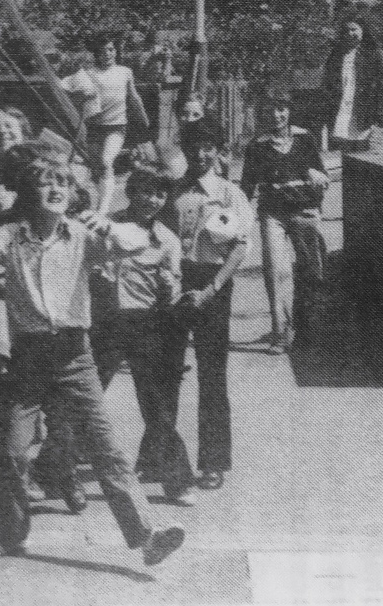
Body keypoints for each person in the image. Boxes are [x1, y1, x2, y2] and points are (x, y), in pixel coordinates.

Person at [0, 140, 186, 566]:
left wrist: (109, 227)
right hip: (27, 357)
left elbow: (136, 242)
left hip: (75, 356)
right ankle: (11, 534)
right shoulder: (7, 238)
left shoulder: (83, 234)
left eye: (62, 182)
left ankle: (146, 536)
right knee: (13, 452)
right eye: (44, 182)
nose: (55, 189)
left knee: (105, 447)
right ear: (27, 191)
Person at [93, 160, 195, 499]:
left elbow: (174, 290)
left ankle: (177, 481)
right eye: (146, 192)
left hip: (145, 323)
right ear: (131, 192)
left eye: (160, 194)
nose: (152, 200)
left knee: (156, 407)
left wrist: (170, 285)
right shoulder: (105, 226)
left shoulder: (166, 240)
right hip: (105, 323)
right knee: (81, 398)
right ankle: (49, 475)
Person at [163, 121, 250, 488]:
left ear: (218, 150)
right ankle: (159, 455)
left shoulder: (230, 194)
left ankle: (213, 462)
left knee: (212, 375)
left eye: (208, 147)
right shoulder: (173, 191)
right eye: (194, 147)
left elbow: (240, 247)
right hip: (176, 281)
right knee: (166, 371)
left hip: (213, 283)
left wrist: (211, 290)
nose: (200, 155)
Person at [240, 94, 330, 353]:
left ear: (289, 110)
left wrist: (317, 177)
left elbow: (321, 174)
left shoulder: (304, 138)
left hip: (305, 210)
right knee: (276, 271)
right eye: (270, 110)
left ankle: (310, 329)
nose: (276, 116)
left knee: (312, 272)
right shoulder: (256, 146)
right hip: (273, 214)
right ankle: (280, 331)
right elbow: (246, 188)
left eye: (281, 109)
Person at [60, 32, 142, 184]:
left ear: (115, 51)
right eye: (102, 51)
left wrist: (143, 117)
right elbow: (63, 87)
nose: (107, 54)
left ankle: (104, 207)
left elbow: (134, 97)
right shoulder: (89, 74)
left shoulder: (125, 72)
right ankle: (100, 201)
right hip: (94, 127)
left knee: (106, 161)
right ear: (96, 54)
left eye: (110, 49)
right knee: (97, 168)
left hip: (117, 126)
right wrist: (81, 97)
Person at [319, 20, 383, 150]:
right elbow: (328, 82)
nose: (350, 33)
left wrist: (380, 115)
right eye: (347, 30)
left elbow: (381, 85)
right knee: (342, 144)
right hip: (342, 106)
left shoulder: (371, 54)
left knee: (362, 146)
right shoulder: (336, 55)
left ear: (362, 30)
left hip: (363, 108)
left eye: (354, 29)